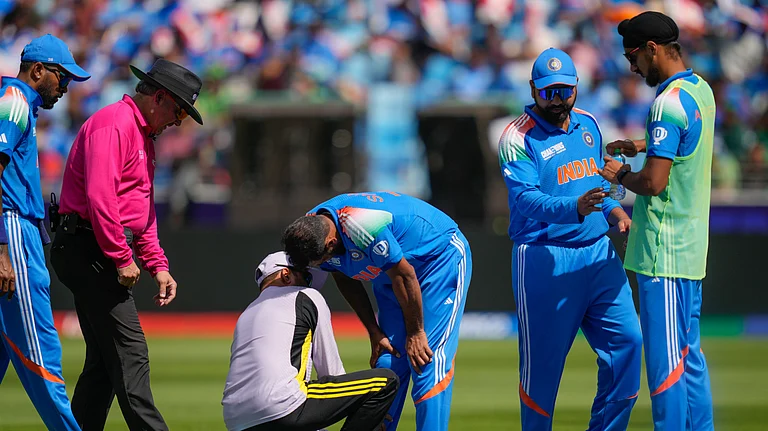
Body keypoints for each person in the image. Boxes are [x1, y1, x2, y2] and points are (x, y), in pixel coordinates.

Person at [50, 59, 204, 431]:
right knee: (130, 353)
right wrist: (122, 257)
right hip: (88, 248)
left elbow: (140, 206)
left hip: (93, 246)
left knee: (104, 364)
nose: (180, 120)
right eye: (180, 109)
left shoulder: (140, 134)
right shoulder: (114, 124)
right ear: (160, 97)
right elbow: (101, 198)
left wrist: (157, 263)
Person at [498, 48, 642, 431]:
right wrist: (575, 208)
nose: (558, 101)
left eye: (565, 91)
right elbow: (526, 199)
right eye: (548, 92)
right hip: (545, 259)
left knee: (628, 343)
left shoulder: (590, 124)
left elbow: (598, 181)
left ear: (578, 88)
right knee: (542, 372)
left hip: (598, 254)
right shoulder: (516, 137)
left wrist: (615, 210)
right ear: (533, 89)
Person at [600, 11, 716, 430]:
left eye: (633, 56)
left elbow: (652, 182)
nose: (631, 67)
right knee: (691, 358)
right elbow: (685, 134)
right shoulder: (699, 91)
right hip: (690, 250)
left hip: (662, 255)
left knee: (666, 367)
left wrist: (619, 174)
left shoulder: (665, 103)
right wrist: (639, 142)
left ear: (652, 49)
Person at [282, 192, 472, 431]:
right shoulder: (311, 229)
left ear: (330, 243)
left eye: (318, 262)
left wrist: (415, 332)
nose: (317, 267)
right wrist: (374, 330)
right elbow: (344, 275)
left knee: (427, 361)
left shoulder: (362, 224)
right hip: (390, 274)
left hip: (437, 260)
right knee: (389, 361)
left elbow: (405, 275)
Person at [0, 34, 90, 431]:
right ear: (38, 70)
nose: (66, 87)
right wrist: (1, 248)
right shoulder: (15, 102)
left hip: (16, 230)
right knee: (40, 350)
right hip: (13, 231)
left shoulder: (20, 104)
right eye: (62, 76)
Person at [222, 251, 399, 431]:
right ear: (286, 275)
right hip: (281, 405)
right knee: (385, 382)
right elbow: (331, 374)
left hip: (235, 419)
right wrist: (370, 417)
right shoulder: (306, 296)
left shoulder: (246, 314)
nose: (310, 285)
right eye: (307, 278)